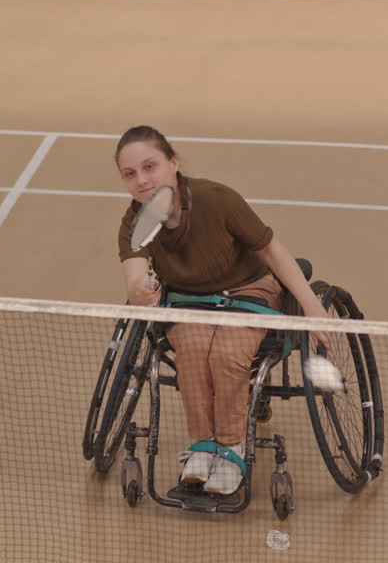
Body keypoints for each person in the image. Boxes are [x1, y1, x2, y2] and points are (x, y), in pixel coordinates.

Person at [115, 125, 331, 496]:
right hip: (190, 301)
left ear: (173, 163)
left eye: (149, 166)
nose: (141, 180)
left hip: (249, 290)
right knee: (194, 354)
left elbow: (271, 251)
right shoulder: (135, 222)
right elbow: (135, 276)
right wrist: (140, 291)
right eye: (130, 174)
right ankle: (203, 444)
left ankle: (230, 447)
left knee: (228, 355)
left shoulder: (217, 200)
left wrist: (311, 306)